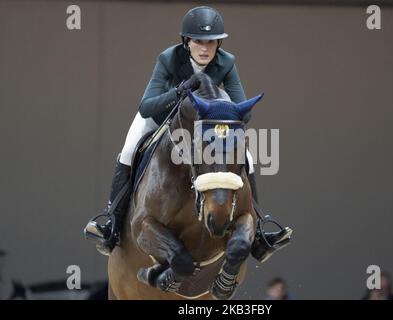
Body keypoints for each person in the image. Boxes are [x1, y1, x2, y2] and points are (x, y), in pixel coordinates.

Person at [84, 6, 291, 262]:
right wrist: (179, 91)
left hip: (206, 123)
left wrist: (221, 107)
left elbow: (243, 113)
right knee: (128, 151)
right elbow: (147, 106)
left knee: (247, 156)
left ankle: (259, 232)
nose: (205, 49)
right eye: (198, 42)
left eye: (211, 42)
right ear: (186, 41)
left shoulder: (226, 62)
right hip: (163, 117)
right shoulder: (168, 59)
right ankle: (111, 223)